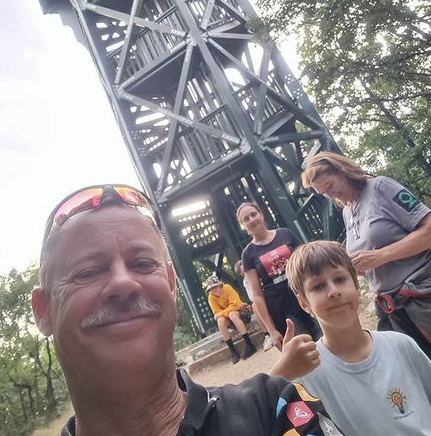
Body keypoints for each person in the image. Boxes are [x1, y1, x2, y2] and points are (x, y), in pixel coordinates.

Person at [32, 183, 345, 436]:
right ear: (43, 311)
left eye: (143, 264)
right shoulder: (249, 255)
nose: (123, 283)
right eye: (88, 272)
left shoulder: (274, 407)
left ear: (171, 285)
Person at [279, 240, 431, 436]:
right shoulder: (305, 375)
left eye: (340, 279)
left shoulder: (401, 345)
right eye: (318, 286)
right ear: (304, 303)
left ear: (357, 284)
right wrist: (280, 376)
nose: (334, 291)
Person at [302, 151, 431, 357]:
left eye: (330, 186)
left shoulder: (381, 187)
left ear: (343, 171)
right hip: (391, 308)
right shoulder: (347, 212)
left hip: (421, 293)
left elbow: (428, 230)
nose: (330, 195)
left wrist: (382, 255)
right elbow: (372, 260)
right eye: (323, 193)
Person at [238, 201, 321, 350]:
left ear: (261, 214)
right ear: (243, 225)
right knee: (305, 349)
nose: (252, 219)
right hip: (281, 308)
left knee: (326, 338)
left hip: (306, 295)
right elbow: (257, 294)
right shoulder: (247, 254)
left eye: (253, 214)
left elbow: (307, 263)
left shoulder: (285, 234)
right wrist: (271, 330)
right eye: (246, 219)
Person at [205, 274, 257, 363]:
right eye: (211, 289)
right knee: (220, 321)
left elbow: (235, 305)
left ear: (220, 285)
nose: (214, 290)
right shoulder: (211, 297)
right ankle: (233, 351)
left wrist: (222, 313)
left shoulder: (227, 288)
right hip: (230, 319)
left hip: (242, 314)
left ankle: (249, 344)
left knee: (232, 314)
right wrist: (222, 314)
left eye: (215, 287)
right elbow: (217, 313)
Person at [234, 260, 273, 351]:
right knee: (255, 306)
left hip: (269, 294)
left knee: (257, 304)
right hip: (260, 300)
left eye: (245, 272)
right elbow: (252, 297)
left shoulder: (258, 272)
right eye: (243, 274)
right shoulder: (245, 281)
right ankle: (267, 334)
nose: (245, 275)